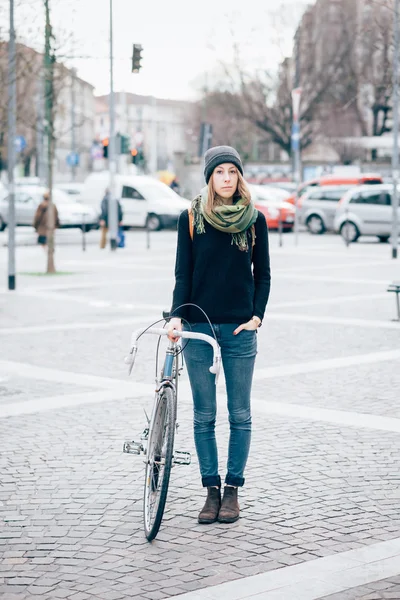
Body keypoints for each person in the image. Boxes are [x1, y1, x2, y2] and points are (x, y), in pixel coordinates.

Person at [168, 146, 271, 525]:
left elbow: (263, 274)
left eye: (232, 172)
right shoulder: (191, 219)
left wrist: (257, 317)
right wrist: (178, 318)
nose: (227, 178)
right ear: (209, 177)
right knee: (204, 415)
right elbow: (183, 274)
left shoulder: (253, 220)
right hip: (199, 329)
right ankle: (210, 492)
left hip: (240, 330)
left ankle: (232, 492)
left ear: (239, 177)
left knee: (240, 414)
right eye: (220, 172)